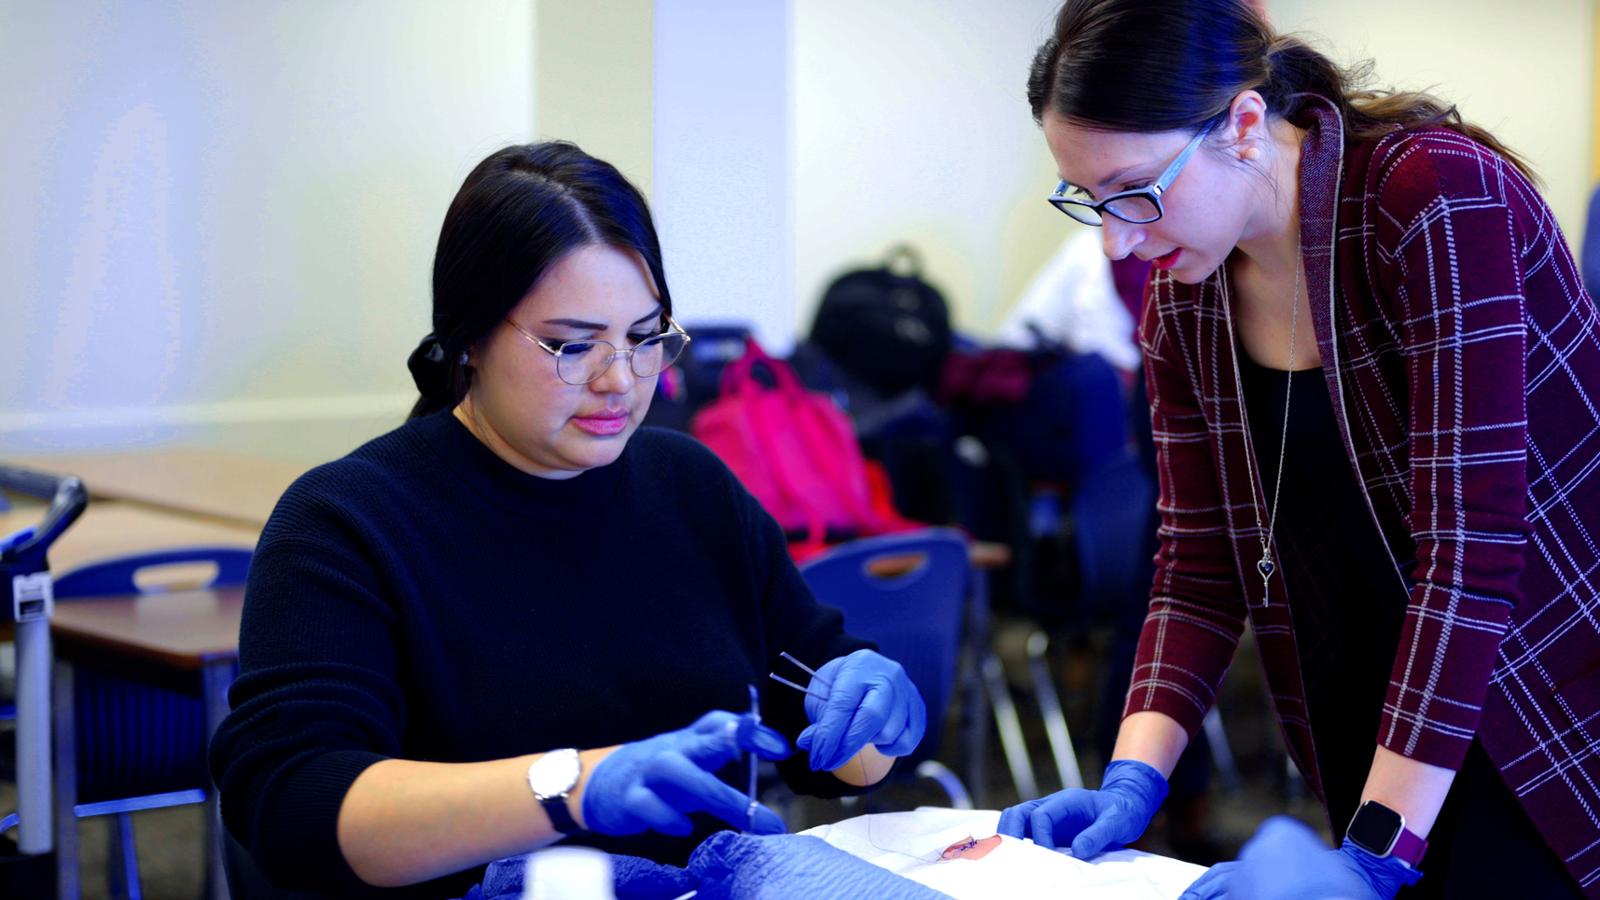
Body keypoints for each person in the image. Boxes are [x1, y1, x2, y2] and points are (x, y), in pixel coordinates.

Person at [209, 141, 927, 899]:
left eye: (646, 336)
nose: (619, 380)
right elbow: (296, 809)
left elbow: (821, 734)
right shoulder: (349, 522)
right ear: (468, 339)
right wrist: (566, 788)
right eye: (573, 345)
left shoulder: (693, 489)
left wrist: (871, 715)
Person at [997, 2, 1600, 898]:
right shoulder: (1188, 303)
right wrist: (1133, 778)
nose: (1119, 238)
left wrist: (1377, 849)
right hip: (1371, 713)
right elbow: (1198, 567)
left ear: (1242, 123)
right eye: (1090, 199)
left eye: (1134, 191)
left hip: (1534, 698)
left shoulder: (1432, 198)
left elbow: (1471, 556)